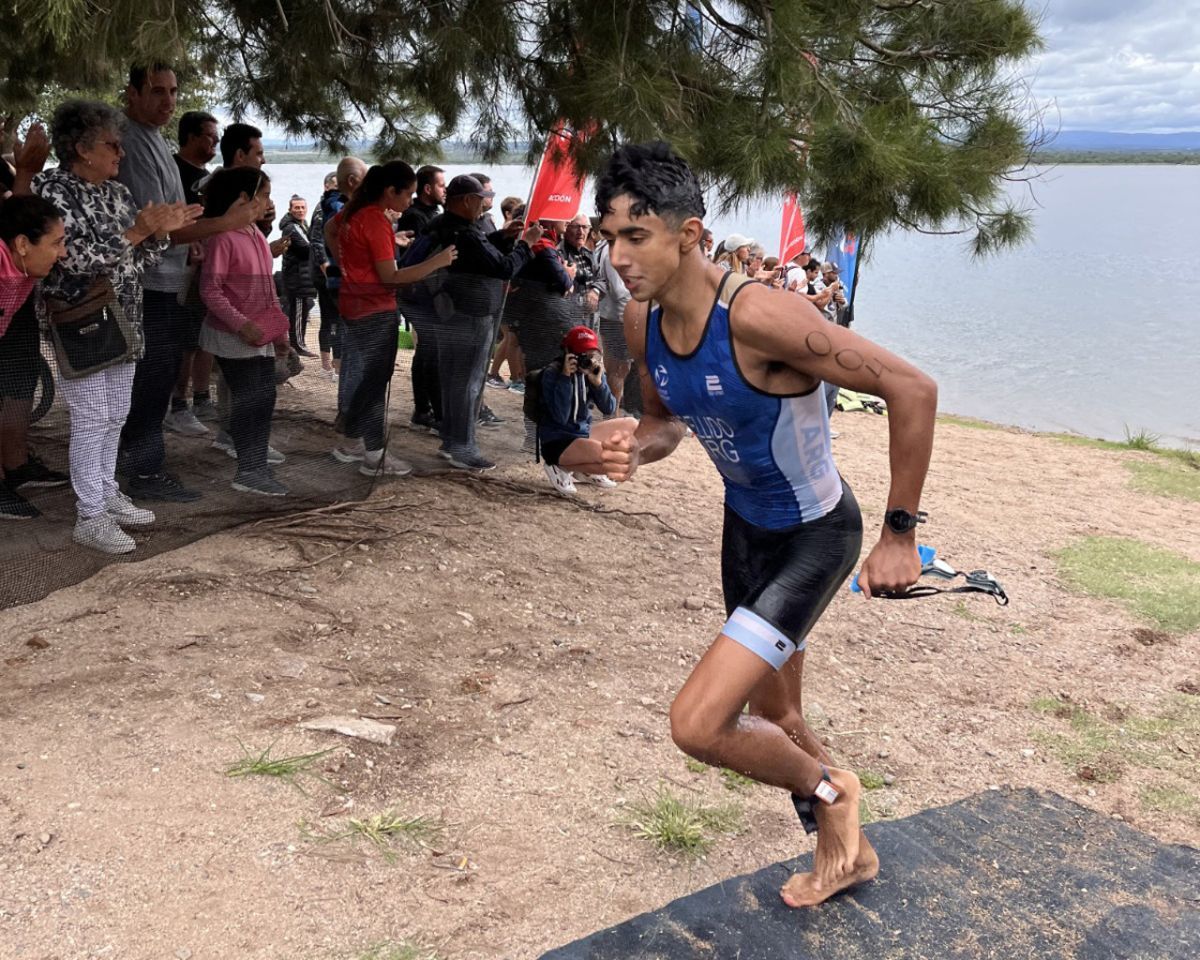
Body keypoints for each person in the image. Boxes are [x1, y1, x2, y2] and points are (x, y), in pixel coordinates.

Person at [595, 142, 937, 908]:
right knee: (776, 714)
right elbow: (660, 423)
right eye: (609, 235)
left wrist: (900, 534)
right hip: (744, 529)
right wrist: (629, 448)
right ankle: (845, 853)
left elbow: (912, 388)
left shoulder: (760, 316)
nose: (617, 255)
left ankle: (833, 791)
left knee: (700, 722)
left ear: (689, 234)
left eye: (636, 235)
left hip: (815, 536)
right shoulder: (640, 319)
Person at [36, 99, 200, 553]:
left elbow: (140, 261)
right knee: (91, 418)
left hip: (126, 316)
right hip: (80, 320)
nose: (120, 154)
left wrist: (158, 234)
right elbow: (72, 262)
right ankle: (89, 516)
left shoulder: (118, 194)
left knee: (116, 414)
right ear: (83, 148)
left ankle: (106, 493)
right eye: (111, 145)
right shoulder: (51, 189)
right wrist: (137, 232)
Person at [115, 65, 258, 504]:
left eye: (174, 91)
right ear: (132, 94)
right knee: (150, 379)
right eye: (158, 91)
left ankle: (142, 464)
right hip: (146, 283)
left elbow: (175, 223)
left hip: (167, 276)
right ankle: (138, 471)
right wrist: (223, 224)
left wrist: (192, 240)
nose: (169, 101)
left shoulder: (153, 138)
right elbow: (155, 225)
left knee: (158, 377)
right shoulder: (133, 141)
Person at [329, 161, 456, 476]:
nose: (410, 201)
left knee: (368, 379)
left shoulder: (354, 213)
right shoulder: (374, 220)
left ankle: (351, 438)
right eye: (408, 194)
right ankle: (373, 453)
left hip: (353, 303)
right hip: (374, 309)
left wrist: (350, 266)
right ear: (390, 191)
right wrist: (435, 263)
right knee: (375, 383)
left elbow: (331, 230)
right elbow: (390, 277)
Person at [413, 175, 542, 470]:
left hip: (449, 313)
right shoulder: (465, 232)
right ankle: (463, 446)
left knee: (453, 380)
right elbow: (503, 268)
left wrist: (502, 237)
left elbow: (475, 255)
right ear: (468, 200)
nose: (485, 204)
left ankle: (451, 440)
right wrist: (526, 245)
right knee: (468, 384)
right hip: (470, 315)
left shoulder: (445, 226)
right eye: (481, 198)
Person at [198, 168, 292, 496]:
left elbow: (267, 288)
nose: (268, 202)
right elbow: (210, 290)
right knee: (251, 399)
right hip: (233, 336)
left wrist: (279, 330)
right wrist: (241, 324)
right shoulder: (223, 237)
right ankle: (250, 469)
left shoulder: (254, 233)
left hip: (259, 333)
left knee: (263, 398)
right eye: (263, 194)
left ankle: (254, 464)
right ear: (243, 198)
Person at [0, 194, 68, 521]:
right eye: (57, 243)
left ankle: (12, 474)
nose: (63, 252)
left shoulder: (24, 273)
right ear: (24, 244)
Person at [536, 325, 631, 494]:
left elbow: (609, 407)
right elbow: (560, 417)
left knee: (631, 424)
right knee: (614, 461)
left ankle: (585, 469)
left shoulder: (590, 372)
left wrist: (598, 384)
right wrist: (565, 378)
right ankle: (559, 467)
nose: (586, 359)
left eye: (590, 353)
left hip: (581, 433)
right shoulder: (552, 373)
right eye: (581, 354)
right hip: (558, 441)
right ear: (568, 352)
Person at [397, 164, 446, 433]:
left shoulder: (432, 213)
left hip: (429, 292)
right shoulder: (415, 217)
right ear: (427, 189)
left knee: (427, 351)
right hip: (421, 293)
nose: (445, 190)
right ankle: (426, 409)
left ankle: (423, 408)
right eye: (441, 186)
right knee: (429, 351)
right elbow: (420, 257)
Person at [595, 233, 633, 412]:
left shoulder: (603, 247)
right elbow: (618, 290)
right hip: (618, 316)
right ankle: (612, 413)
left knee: (614, 366)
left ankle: (611, 411)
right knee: (619, 368)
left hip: (609, 314)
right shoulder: (613, 251)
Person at [308, 171, 340, 379]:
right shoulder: (322, 209)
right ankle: (327, 366)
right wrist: (328, 270)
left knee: (337, 319)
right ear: (327, 187)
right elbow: (317, 243)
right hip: (325, 274)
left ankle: (337, 365)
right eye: (337, 187)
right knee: (330, 319)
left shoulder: (336, 208)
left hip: (335, 272)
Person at [279, 195, 317, 357]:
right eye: (297, 208)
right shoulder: (291, 228)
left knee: (300, 310)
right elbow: (307, 248)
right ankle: (298, 345)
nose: (300, 210)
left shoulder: (302, 225)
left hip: (302, 276)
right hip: (296, 278)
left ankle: (296, 343)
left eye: (303, 207)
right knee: (298, 312)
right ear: (290, 210)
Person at [173, 110, 218, 206]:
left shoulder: (209, 178)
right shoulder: (170, 169)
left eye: (216, 136)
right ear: (192, 138)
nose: (217, 140)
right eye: (210, 135)